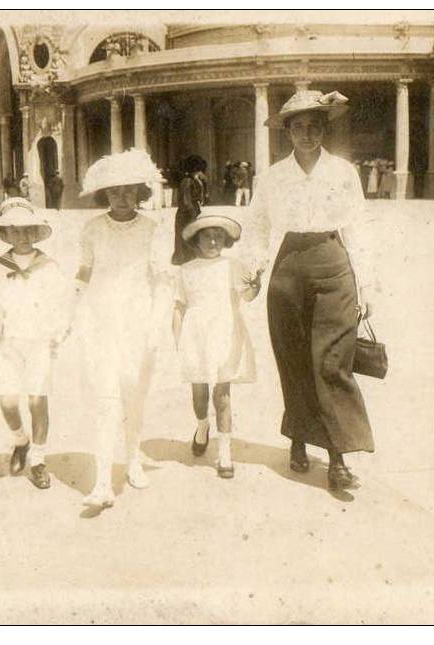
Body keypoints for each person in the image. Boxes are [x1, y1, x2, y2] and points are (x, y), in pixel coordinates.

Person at [247, 89, 377, 490]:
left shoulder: (342, 172)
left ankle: (338, 457)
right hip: (288, 267)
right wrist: (252, 269)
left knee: (331, 362)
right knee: (295, 359)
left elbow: (357, 227)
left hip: (332, 262)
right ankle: (299, 438)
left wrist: (366, 284)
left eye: (314, 127)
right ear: (287, 131)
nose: (307, 134)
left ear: (324, 129)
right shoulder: (271, 177)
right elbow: (258, 226)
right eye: (299, 127)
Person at [66, 148, 170, 509]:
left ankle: (134, 457)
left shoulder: (153, 229)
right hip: (100, 319)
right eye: (114, 191)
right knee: (106, 400)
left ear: (141, 192)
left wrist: (157, 326)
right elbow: (84, 271)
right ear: (103, 194)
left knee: (134, 396)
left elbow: (162, 280)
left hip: (138, 322)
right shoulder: (92, 228)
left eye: (129, 190)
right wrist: (70, 309)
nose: (122, 198)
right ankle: (101, 483)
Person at [0, 197, 69, 490]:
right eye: (14, 231)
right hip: (9, 342)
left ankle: (39, 460)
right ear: (4, 235)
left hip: (40, 341)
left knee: (36, 399)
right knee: (7, 401)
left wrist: (58, 331)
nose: (22, 236)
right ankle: (21, 440)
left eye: (28, 229)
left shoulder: (48, 266)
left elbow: (61, 302)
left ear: (36, 232)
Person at [172, 210, 262, 479]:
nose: (213, 242)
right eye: (207, 237)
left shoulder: (233, 266)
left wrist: (255, 285)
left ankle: (225, 452)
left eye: (218, 237)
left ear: (226, 242)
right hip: (195, 334)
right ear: (197, 241)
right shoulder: (185, 271)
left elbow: (247, 296)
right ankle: (202, 427)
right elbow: (178, 307)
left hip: (225, 331)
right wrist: (177, 339)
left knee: (222, 394)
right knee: (199, 392)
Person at [171, 155, 208, 266]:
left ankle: (190, 257)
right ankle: (185, 259)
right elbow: (186, 201)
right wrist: (193, 216)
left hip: (191, 211)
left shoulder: (193, 180)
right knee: (186, 235)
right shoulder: (187, 181)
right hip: (186, 213)